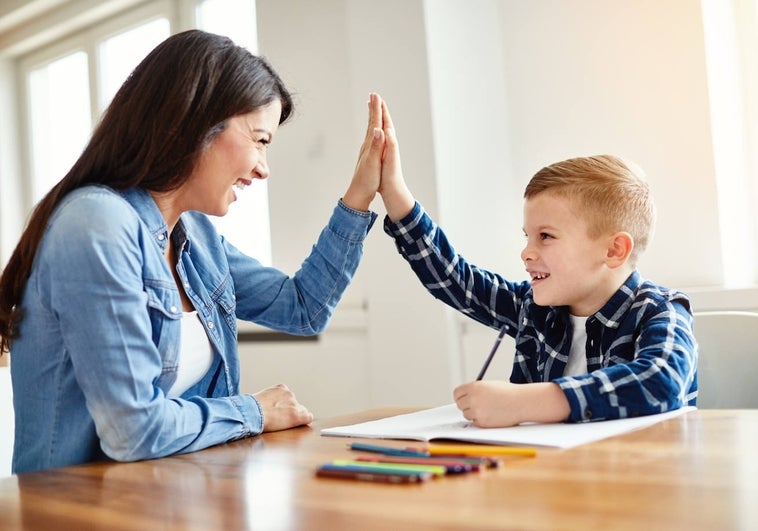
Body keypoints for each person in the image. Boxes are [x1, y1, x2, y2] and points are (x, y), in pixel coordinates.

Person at [0, 30, 391, 474]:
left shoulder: (196, 236)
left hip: (175, 498)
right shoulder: (97, 226)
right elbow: (135, 431)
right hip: (76, 512)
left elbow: (303, 309)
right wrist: (255, 411)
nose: (264, 169)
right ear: (194, 123)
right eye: (260, 140)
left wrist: (360, 195)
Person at [376, 102, 698, 427]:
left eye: (545, 236)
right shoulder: (532, 307)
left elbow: (662, 381)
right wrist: (395, 194)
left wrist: (525, 403)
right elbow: (455, 279)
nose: (526, 253)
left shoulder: (660, 311)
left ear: (614, 250)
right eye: (526, 236)